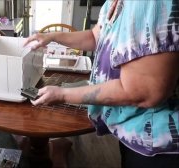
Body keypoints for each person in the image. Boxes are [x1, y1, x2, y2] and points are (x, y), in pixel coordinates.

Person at [24, 0, 179, 167]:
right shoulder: (113, 3)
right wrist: (52, 37)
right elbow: (94, 36)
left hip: (159, 144)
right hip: (133, 131)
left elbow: (142, 92)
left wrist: (62, 94)